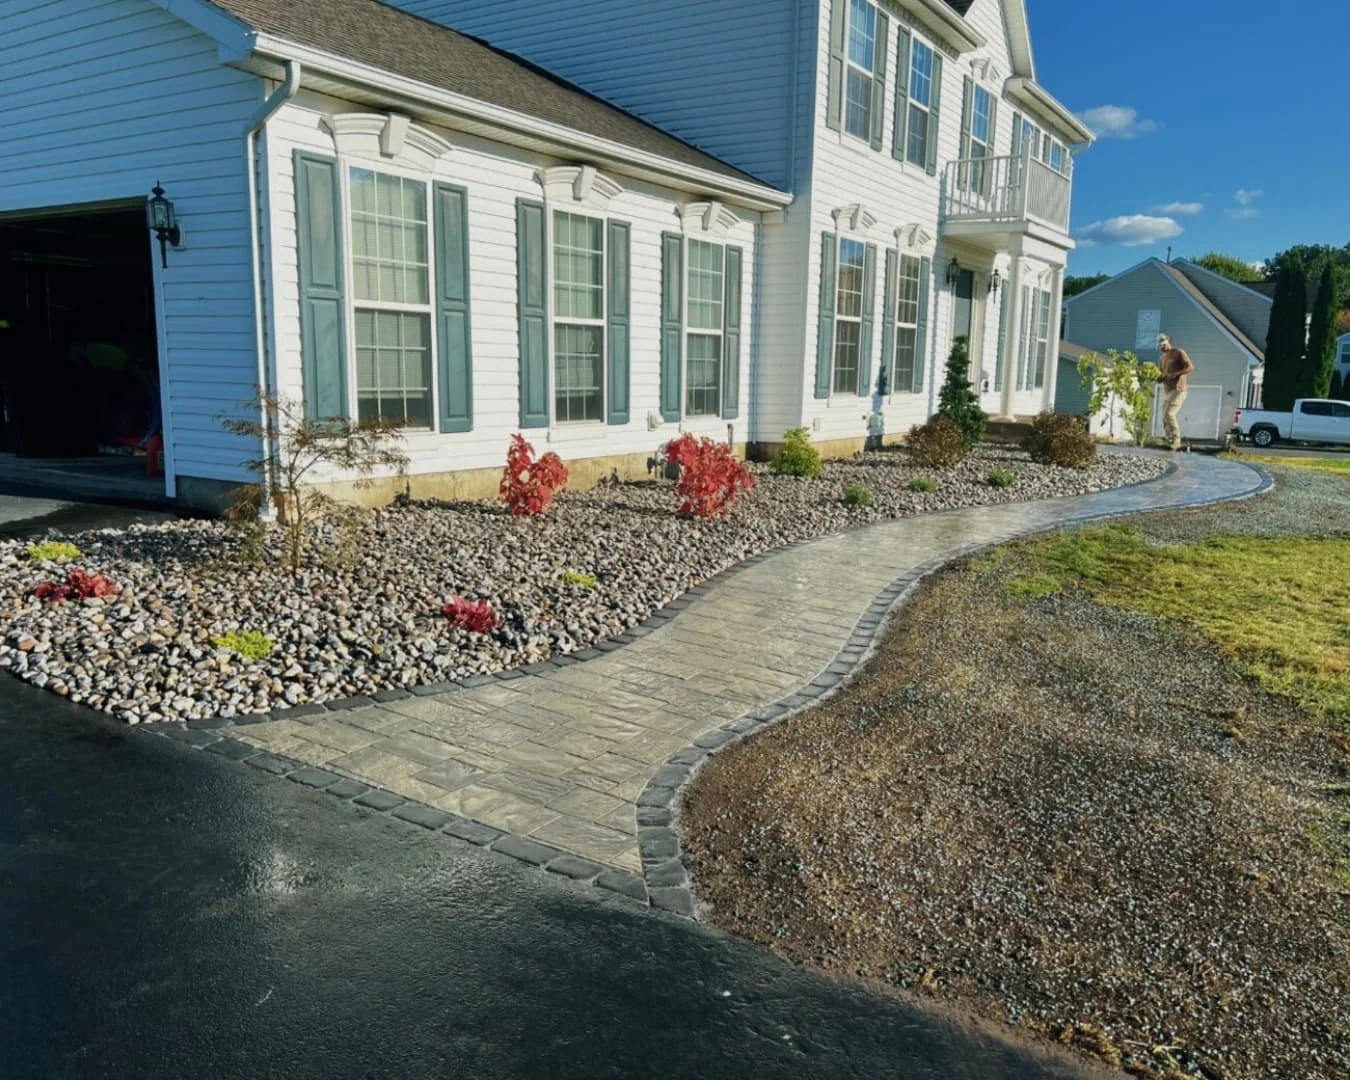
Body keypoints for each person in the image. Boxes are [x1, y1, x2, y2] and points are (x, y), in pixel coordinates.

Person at [1157, 333, 1194, 451]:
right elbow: (1162, 374)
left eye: (1164, 344)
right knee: (1164, 417)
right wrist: (1159, 377)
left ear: (1168, 341)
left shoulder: (1178, 352)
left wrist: (1176, 373)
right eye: (1160, 346)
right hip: (1167, 391)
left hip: (1178, 389)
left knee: (1169, 414)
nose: (1162, 347)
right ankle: (1169, 441)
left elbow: (1190, 367)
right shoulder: (1162, 358)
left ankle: (1176, 441)